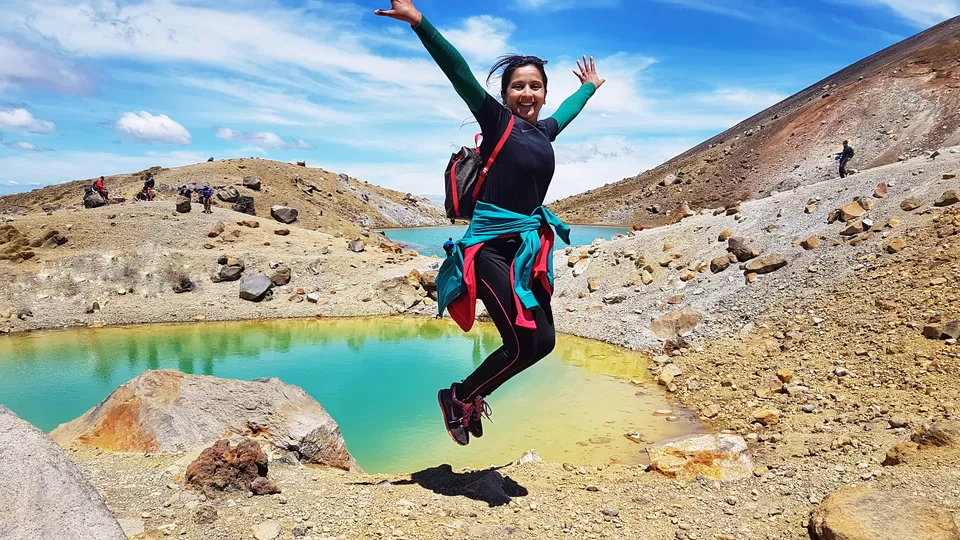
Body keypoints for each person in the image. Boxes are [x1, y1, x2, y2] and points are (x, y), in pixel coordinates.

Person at [376, 0, 603, 446]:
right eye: (518, 86)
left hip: (524, 250)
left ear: (544, 93)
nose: (527, 93)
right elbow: (458, 72)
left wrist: (590, 88)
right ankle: (459, 397)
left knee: (544, 343)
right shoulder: (498, 123)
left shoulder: (545, 131)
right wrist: (420, 23)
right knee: (521, 342)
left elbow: (570, 110)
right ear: (504, 94)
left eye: (535, 86)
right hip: (490, 251)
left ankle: (467, 395)